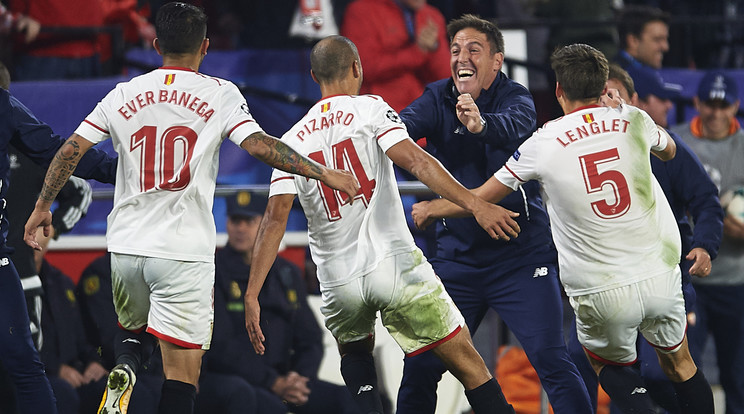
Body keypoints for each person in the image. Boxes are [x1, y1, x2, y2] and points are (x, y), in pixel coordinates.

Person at [22, 3, 360, 414]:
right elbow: (260, 146)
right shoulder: (219, 93)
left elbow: (71, 148)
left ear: (156, 44)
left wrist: (43, 205)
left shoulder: (124, 92)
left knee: (132, 330)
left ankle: (126, 362)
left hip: (126, 246)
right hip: (183, 251)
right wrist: (323, 172)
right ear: (205, 47)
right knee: (182, 376)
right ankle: (136, 368)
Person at [412, 42, 716, 414]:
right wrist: (620, 119)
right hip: (659, 273)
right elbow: (669, 152)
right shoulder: (633, 119)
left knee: (605, 364)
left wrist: (433, 206)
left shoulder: (543, 141)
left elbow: (482, 197)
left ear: (558, 90)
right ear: (604, 87)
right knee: (681, 364)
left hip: (601, 287)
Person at [245, 34, 522, 414]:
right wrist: (475, 204)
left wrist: (251, 293)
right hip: (393, 265)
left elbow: (274, 218)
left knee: (357, 360)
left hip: (339, 281)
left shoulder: (290, 141)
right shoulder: (371, 109)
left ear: (313, 76)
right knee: (470, 367)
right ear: (358, 68)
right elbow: (418, 162)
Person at [395, 14, 592, 414]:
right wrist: (403, 147)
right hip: (457, 261)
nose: (461, 57)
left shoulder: (515, 97)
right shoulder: (436, 98)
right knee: (420, 366)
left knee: (552, 360)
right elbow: (396, 133)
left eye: (473, 49)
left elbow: (514, 126)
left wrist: (480, 124)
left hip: (520, 258)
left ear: (497, 61)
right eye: (454, 50)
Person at [566, 63, 724, 413]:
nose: (604, 103)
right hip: (607, 280)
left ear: (632, 100)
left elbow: (705, 200)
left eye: (613, 95)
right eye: (597, 96)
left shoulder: (661, 143)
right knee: (576, 360)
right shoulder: (569, 151)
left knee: (658, 372)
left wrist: (704, 244)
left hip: (663, 277)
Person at [0, 81, 116, 413]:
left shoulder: (4, 108)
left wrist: (122, 170)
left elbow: (60, 153)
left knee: (26, 365)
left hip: (5, 264)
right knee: (26, 368)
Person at [208, 190, 360, 414]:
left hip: (286, 379)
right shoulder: (214, 271)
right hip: (241, 380)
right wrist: (272, 382)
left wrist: (299, 379)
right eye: (235, 220)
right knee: (258, 402)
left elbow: (310, 338)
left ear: (265, 224)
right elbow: (221, 346)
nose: (240, 228)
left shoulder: (286, 273)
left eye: (248, 221)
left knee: (351, 400)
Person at [670, 70, 744, 414]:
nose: (716, 113)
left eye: (723, 105)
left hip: (736, 280)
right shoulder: (675, 142)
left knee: (739, 377)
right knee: (684, 374)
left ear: (736, 106)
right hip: (688, 281)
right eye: (710, 104)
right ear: (697, 103)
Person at [341, 0, 450, 112]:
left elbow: (445, 77)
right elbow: (364, 68)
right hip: (377, 112)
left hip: (421, 110)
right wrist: (417, 52)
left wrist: (435, 48)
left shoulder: (431, 16)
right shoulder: (362, 11)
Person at [615, 5, 670, 70]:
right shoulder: (619, 76)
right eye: (657, 39)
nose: (666, 47)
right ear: (633, 41)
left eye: (665, 39)